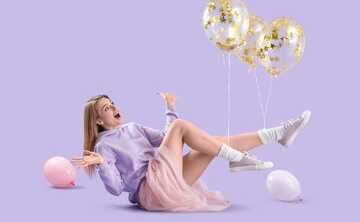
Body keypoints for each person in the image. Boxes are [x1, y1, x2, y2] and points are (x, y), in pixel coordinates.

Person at [71, 92, 311, 212]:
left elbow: (167, 140)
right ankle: (238, 158)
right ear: (96, 121)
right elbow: (114, 189)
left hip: (165, 176)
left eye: (112, 103)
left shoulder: (132, 128)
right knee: (185, 128)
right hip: (150, 191)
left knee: (212, 143)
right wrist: (102, 162)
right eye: (106, 108)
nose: (114, 107)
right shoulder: (103, 147)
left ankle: (277, 134)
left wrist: (169, 106)